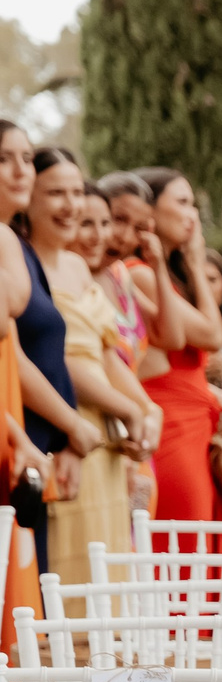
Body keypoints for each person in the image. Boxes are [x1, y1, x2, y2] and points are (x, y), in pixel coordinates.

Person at [30, 153, 152, 586]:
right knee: (67, 576)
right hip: (63, 427)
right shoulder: (24, 264)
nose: (71, 205)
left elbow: (105, 355)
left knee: (108, 572)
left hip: (104, 437)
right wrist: (128, 407)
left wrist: (141, 409)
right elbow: (55, 359)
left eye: (77, 192)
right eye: (56, 193)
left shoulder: (78, 265)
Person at [112, 170, 222, 539]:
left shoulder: (165, 276)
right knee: (183, 548)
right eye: (182, 203)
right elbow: (213, 336)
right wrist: (197, 262)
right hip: (171, 428)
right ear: (150, 212)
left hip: (194, 424)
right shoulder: (138, 273)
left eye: (194, 204)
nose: (193, 216)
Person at [0, 128, 91, 579]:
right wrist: (73, 425)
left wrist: (64, 436)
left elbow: (50, 353)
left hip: (33, 448)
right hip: (13, 441)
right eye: (5, 159)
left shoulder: (17, 247)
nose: (21, 170)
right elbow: (10, 352)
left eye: (26, 158)